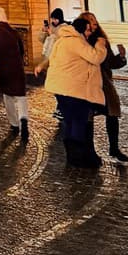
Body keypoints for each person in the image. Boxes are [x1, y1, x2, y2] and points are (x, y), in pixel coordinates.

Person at [44, 15, 107, 168]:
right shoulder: (76, 41)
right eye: (87, 30)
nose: (89, 33)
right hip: (74, 90)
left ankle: (73, 157)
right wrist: (100, 44)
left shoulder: (62, 40)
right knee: (78, 121)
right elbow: (95, 57)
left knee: (69, 121)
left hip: (61, 89)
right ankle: (77, 158)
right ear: (81, 29)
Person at [79, 11, 128, 165]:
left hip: (104, 83)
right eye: (89, 20)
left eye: (94, 19)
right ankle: (90, 150)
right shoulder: (82, 41)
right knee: (87, 116)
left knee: (112, 113)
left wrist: (121, 57)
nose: (93, 22)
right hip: (87, 83)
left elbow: (111, 63)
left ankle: (114, 148)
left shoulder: (102, 40)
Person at [0, 7, 29, 141]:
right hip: (17, 67)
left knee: (8, 96)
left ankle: (14, 124)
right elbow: (22, 50)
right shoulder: (13, 31)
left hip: (4, 68)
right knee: (21, 96)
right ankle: (23, 119)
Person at [37, 8, 68, 120]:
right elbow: (41, 40)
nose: (53, 21)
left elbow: (56, 43)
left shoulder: (64, 29)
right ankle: (61, 108)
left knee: (59, 87)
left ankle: (62, 109)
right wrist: (44, 31)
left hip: (58, 61)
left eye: (54, 19)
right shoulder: (53, 28)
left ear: (58, 18)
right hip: (49, 60)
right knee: (56, 87)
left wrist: (51, 34)